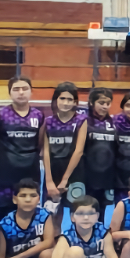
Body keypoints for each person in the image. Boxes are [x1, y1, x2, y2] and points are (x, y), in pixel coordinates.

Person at [0, 76, 44, 220]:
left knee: (29, 218)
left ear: (31, 91)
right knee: (3, 219)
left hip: (30, 176)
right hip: (3, 178)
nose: (21, 92)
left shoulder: (39, 116)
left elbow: (40, 144)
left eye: (25, 89)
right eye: (16, 89)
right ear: (9, 92)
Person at [42, 83, 88, 236]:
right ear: (56, 100)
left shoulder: (81, 120)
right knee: (53, 216)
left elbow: (78, 151)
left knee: (79, 215)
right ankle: (53, 247)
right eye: (62, 98)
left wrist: (65, 180)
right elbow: (46, 151)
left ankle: (78, 247)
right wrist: (49, 181)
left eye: (70, 99)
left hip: (75, 175)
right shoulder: (48, 121)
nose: (66, 103)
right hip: (53, 172)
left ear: (75, 102)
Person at [78, 88, 117, 204]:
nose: (105, 106)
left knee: (102, 209)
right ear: (91, 102)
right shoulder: (82, 121)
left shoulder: (115, 123)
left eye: (108, 103)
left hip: (107, 177)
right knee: (83, 208)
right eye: (101, 103)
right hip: (86, 176)